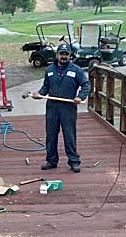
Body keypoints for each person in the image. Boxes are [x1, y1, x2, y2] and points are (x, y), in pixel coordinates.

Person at [32, 43, 90, 173]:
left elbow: (86, 85)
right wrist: (40, 94)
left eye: (66, 54)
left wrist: (80, 97)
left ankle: (74, 161)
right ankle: (51, 161)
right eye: (61, 53)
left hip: (68, 107)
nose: (63, 56)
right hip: (52, 106)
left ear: (70, 55)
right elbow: (46, 87)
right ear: (57, 55)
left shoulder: (76, 70)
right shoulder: (50, 70)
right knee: (51, 135)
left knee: (69, 135)